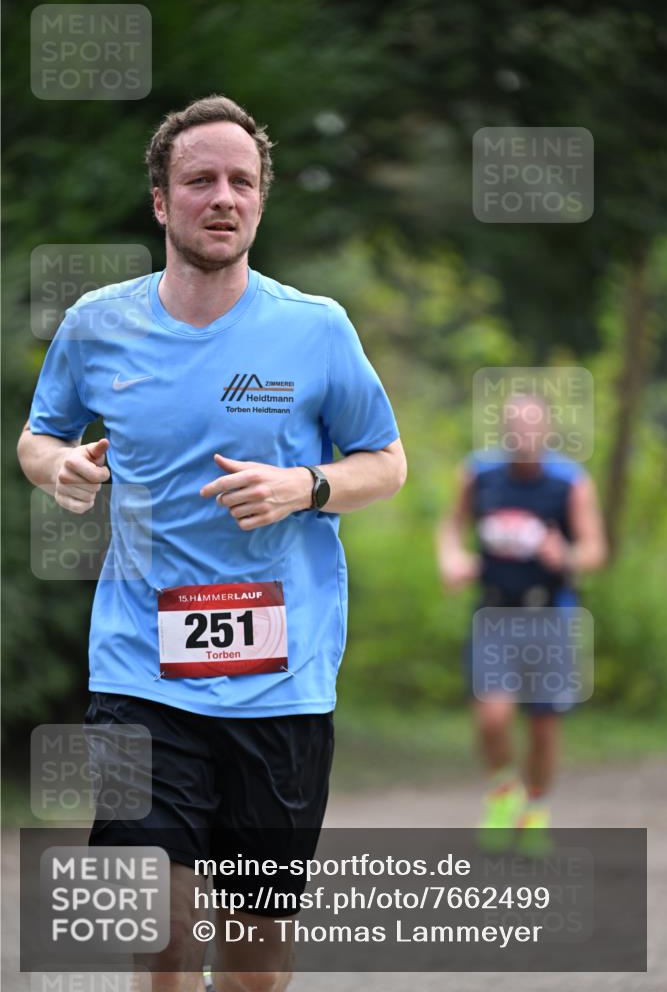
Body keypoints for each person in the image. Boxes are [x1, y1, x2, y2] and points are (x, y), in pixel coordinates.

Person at [18, 95, 407, 992]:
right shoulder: (97, 324)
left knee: (255, 964)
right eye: (200, 181)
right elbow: (38, 435)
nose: (222, 197)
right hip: (139, 673)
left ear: (261, 201)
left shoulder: (315, 329)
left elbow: (385, 463)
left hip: (282, 685)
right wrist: (57, 468)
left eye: (242, 181)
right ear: (161, 201)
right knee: (156, 929)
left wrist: (305, 486)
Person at [436, 394, 606, 852]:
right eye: (514, 424)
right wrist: (452, 559)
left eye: (531, 425)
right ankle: (503, 792)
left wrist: (564, 555)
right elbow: (451, 527)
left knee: (543, 727)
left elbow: (594, 551)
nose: (522, 433)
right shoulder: (480, 475)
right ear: (504, 429)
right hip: (493, 614)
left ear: (547, 431)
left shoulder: (569, 482)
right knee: (492, 717)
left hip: (550, 617)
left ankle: (535, 810)